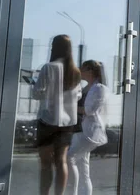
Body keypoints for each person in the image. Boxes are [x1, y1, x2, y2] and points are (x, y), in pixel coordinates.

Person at [33, 34, 82, 195]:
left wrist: (50, 93)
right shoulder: (75, 71)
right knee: (61, 162)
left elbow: (37, 93)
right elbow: (79, 95)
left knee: (46, 163)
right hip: (67, 123)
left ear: (54, 48)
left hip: (48, 119)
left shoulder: (49, 67)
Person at [68, 60, 108, 195]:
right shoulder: (86, 87)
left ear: (90, 71)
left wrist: (67, 106)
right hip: (80, 131)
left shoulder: (99, 88)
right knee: (83, 168)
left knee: (69, 159)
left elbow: (89, 110)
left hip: (88, 132)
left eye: (82, 68)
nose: (80, 70)